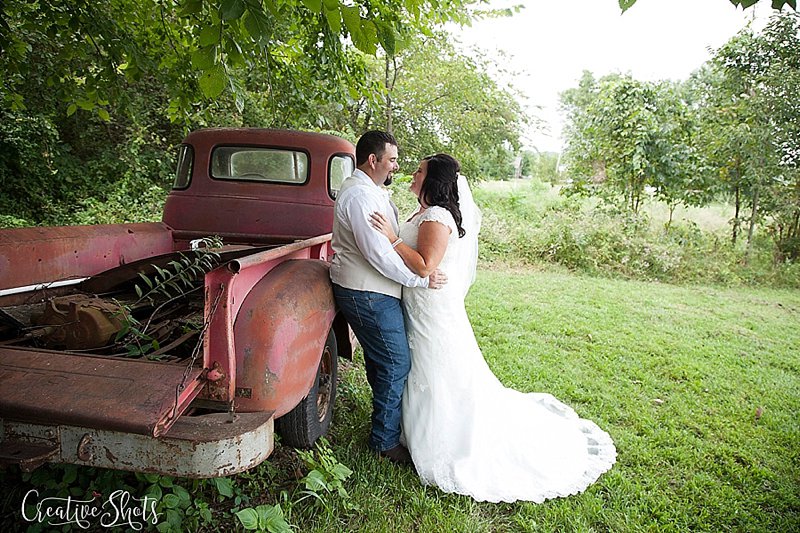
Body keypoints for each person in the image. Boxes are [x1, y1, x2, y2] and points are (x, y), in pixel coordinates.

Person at [369, 154, 616, 503]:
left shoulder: (437, 217)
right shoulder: (422, 213)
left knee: (438, 369)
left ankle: (447, 438)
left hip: (432, 310)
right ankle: (409, 430)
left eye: (420, 170)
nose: (413, 173)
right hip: (419, 304)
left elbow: (425, 265)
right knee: (421, 367)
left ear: (433, 179)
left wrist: (393, 238)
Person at [330, 130, 447, 465]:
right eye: (393, 159)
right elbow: (378, 255)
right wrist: (421, 280)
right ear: (373, 160)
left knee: (385, 361)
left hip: (377, 291)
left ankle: (386, 422)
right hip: (367, 292)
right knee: (396, 363)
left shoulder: (372, 192)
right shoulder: (360, 197)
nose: (397, 166)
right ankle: (383, 443)